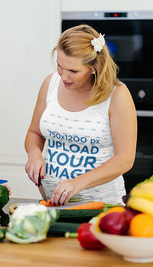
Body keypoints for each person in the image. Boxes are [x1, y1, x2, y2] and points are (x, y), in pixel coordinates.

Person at [24, 25, 137, 206]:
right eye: (60, 67)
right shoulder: (50, 84)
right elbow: (34, 134)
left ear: (94, 68)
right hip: (53, 203)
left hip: (102, 207)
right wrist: (34, 154)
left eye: (73, 71)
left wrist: (79, 182)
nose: (63, 76)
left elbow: (125, 159)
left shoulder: (117, 95)